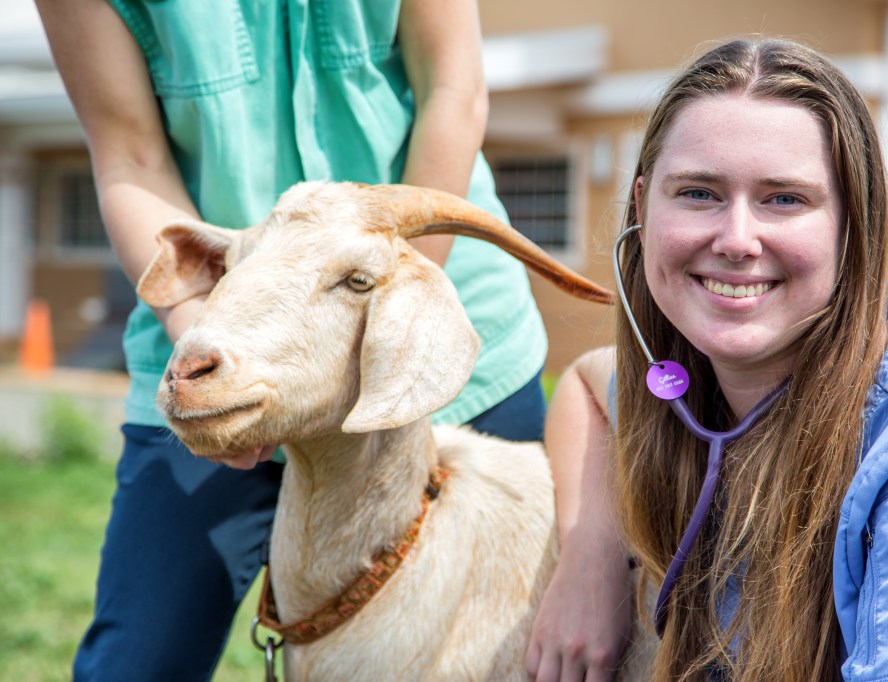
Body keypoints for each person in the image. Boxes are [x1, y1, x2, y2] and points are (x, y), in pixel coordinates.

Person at [35, 0, 550, 678]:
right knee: (137, 663)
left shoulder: (410, 319)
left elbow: (453, 92)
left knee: (533, 641)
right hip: (212, 344)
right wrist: (206, 339)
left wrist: (390, 310)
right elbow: (129, 157)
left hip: (429, 334)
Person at [526, 38, 888, 681]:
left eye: (784, 199)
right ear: (644, 207)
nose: (736, 240)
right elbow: (588, 385)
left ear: (854, 224)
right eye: (699, 193)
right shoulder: (686, 377)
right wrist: (590, 554)